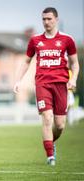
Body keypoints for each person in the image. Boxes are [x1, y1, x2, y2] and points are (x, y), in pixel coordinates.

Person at [13, 7, 79, 166]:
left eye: (49, 19)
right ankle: (50, 156)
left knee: (60, 125)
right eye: (44, 19)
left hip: (61, 85)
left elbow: (75, 63)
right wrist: (18, 80)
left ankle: (50, 142)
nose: (46, 22)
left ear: (56, 19)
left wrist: (74, 79)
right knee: (47, 119)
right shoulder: (35, 40)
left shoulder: (67, 40)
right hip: (42, 84)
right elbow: (26, 62)